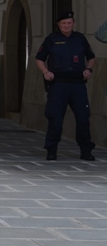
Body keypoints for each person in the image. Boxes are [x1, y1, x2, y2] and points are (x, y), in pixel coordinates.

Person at [35, 11, 96, 161]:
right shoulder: (51, 39)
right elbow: (39, 58)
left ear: (73, 23)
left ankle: (86, 150)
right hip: (58, 85)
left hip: (77, 85)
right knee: (55, 118)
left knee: (83, 119)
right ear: (58, 24)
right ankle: (51, 150)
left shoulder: (80, 39)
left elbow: (91, 58)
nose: (66, 26)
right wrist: (45, 72)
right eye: (63, 23)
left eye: (69, 23)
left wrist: (88, 69)